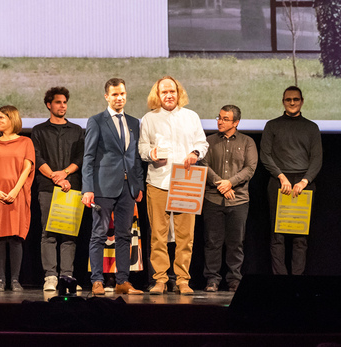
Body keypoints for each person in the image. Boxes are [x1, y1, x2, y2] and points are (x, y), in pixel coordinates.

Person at [139, 76, 209, 295]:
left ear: (179, 93)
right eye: (164, 92)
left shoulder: (191, 116)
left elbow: (202, 142)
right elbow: (142, 148)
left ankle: (182, 280)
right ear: (157, 95)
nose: (168, 96)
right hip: (158, 182)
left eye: (172, 91)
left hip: (185, 182)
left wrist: (195, 153)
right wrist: (151, 154)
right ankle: (160, 279)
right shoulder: (149, 119)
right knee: (158, 234)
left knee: (185, 235)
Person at [82, 77, 144, 296]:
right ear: (107, 96)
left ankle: (122, 281)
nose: (120, 98)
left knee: (124, 235)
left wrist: (139, 186)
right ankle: (97, 280)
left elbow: (134, 157)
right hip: (102, 187)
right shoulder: (97, 121)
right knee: (98, 234)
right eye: (115, 94)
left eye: (123, 94)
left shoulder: (134, 122)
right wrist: (87, 188)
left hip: (128, 188)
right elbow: (88, 157)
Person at [261, 85, 322, 276]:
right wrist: (281, 177)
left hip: (304, 184)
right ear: (283, 101)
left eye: (296, 99)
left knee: (300, 237)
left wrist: (305, 181)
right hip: (279, 182)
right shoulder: (272, 125)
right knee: (277, 235)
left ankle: (297, 279)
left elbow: (317, 158)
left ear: (302, 101)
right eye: (288, 100)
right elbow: (265, 155)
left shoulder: (311, 127)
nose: (292, 103)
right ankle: (281, 279)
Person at [198, 105, 257, 292]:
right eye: (219, 117)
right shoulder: (209, 141)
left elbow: (250, 168)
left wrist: (230, 183)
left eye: (225, 119)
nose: (220, 121)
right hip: (213, 199)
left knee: (236, 243)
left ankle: (234, 279)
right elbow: (204, 165)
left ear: (236, 122)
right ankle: (212, 280)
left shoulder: (248, 142)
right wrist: (221, 184)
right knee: (212, 242)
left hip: (238, 200)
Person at [31, 87, 85, 291]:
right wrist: (56, 176)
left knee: (69, 234)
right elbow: (37, 157)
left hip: (71, 187)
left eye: (64, 102)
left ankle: (67, 275)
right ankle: (51, 276)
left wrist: (64, 173)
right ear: (49, 105)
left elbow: (81, 157)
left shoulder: (77, 130)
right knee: (49, 232)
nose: (62, 106)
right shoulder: (39, 130)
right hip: (47, 187)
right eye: (58, 102)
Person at [0, 106, 35, 292]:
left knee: (15, 238)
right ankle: (0, 280)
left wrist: (15, 190)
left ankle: (14, 280)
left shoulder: (25, 142)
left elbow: (27, 168)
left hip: (17, 194)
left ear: (12, 119)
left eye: (1, 118)